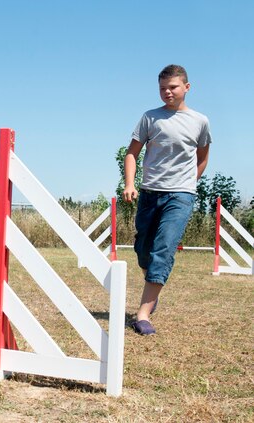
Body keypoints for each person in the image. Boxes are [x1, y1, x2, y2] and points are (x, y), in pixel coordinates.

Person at [123, 64, 212, 335]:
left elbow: (203, 157)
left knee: (164, 248)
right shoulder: (150, 118)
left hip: (181, 195)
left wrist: (188, 184)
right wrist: (130, 183)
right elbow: (131, 154)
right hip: (150, 192)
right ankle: (154, 285)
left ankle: (142, 314)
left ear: (186, 87)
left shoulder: (200, 121)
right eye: (162, 88)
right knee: (144, 251)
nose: (167, 92)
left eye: (172, 87)